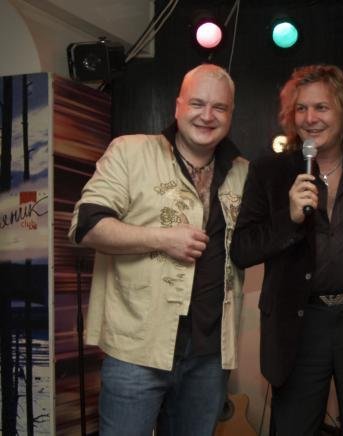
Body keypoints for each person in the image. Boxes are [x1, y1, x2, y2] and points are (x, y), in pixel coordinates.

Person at [68, 63, 248, 436]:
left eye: (219, 107)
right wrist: (162, 239)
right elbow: (85, 226)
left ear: (231, 114)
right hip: (136, 349)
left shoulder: (243, 172)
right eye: (197, 103)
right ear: (178, 106)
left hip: (209, 355)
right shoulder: (130, 152)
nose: (207, 115)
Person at [230, 65, 343, 436]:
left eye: (321, 107)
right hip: (300, 322)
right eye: (301, 109)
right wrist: (288, 219)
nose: (310, 118)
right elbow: (242, 249)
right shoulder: (270, 171)